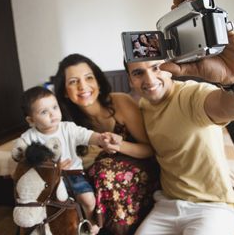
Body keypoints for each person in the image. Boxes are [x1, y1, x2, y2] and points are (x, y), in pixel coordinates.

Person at [123, 0, 234, 234]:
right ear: (130, 80)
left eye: (156, 68)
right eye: (138, 73)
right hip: (166, 204)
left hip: (213, 207)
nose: (149, 80)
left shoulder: (191, 95)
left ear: (169, 67)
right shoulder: (141, 108)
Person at [54, 53, 159, 235]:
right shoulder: (65, 125)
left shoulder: (121, 102)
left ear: (98, 81)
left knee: (104, 173)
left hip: (139, 172)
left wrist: (119, 146)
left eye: (88, 78)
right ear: (64, 90)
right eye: (73, 81)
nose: (83, 86)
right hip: (99, 190)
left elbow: (149, 149)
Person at [19, 86, 121, 234]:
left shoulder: (68, 128)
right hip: (47, 180)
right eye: (44, 112)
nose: (52, 114)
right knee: (45, 207)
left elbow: (86, 136)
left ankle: (91, 222)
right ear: (31, 120)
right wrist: (52, 167)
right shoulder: (29, 137)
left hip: (73, 173)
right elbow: (23, 161)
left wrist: (100, 138)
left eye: (54, 107)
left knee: (88, 199)